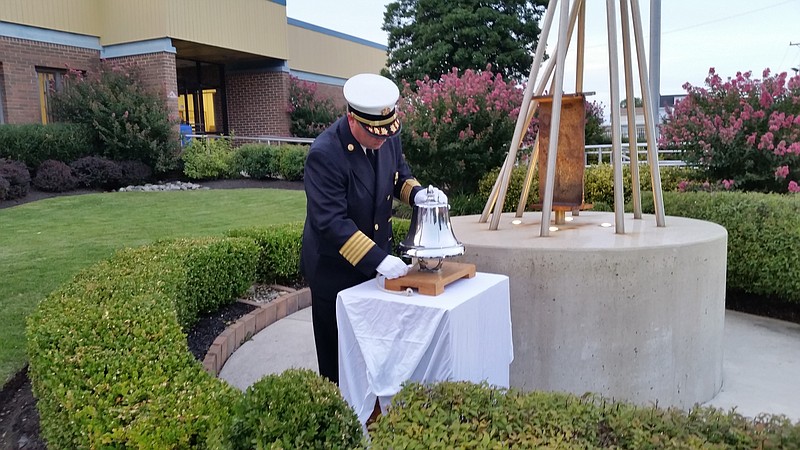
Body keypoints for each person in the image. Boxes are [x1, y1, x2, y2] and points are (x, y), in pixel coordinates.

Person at [301, 73, 446, 384]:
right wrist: (378, 258)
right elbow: (330, 222)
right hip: (335, 272)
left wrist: (420, 195)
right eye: (375, 134)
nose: (383, 140)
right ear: (353, 121)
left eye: (387, 133)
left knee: (375, 353)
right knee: (338, 359)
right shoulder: (325, 154)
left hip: (374, 266)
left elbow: (398, 177)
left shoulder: (387, 138)